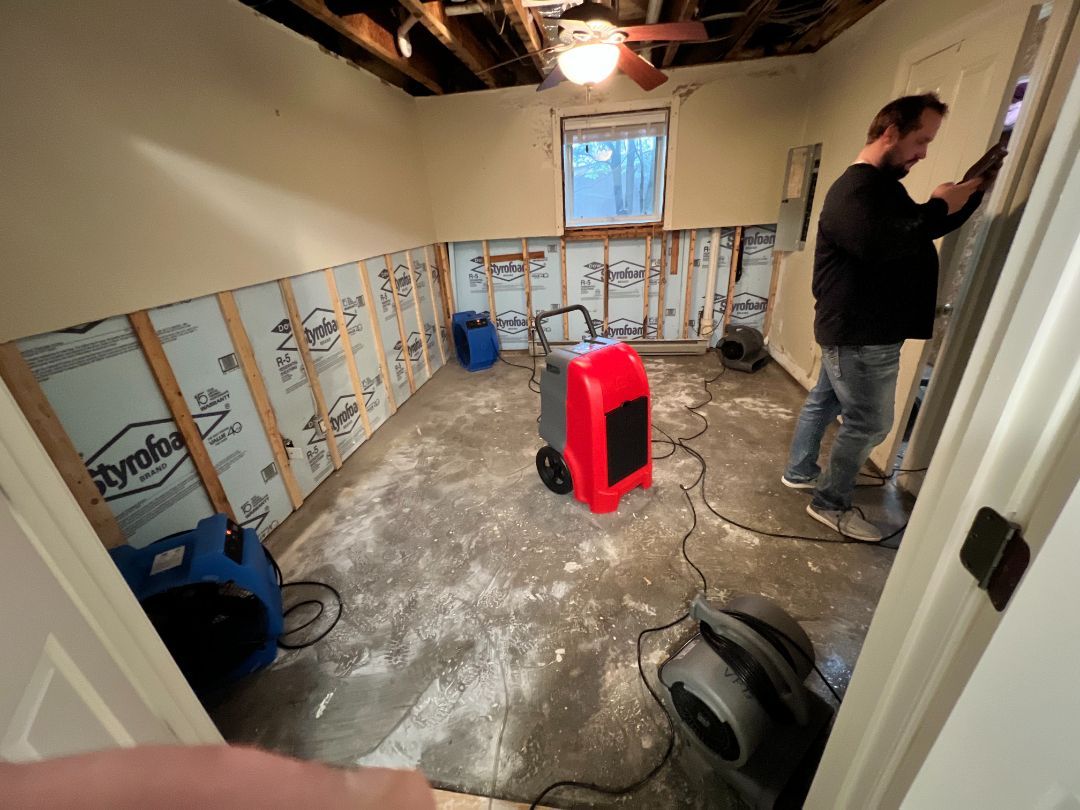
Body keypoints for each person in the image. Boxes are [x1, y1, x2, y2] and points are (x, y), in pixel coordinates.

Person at [782, 92, 992, 542]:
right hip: (861, 334)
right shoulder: (857, 190)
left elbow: (913, 232)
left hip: (855, 329)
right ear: (891, 132)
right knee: (870, 423)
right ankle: (829, 503)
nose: (923, 153)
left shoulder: (881, 189)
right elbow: (880, 245)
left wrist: (964, 199)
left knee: (826, 400)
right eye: (921, 140)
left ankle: (801, 472)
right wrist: (938, 206)